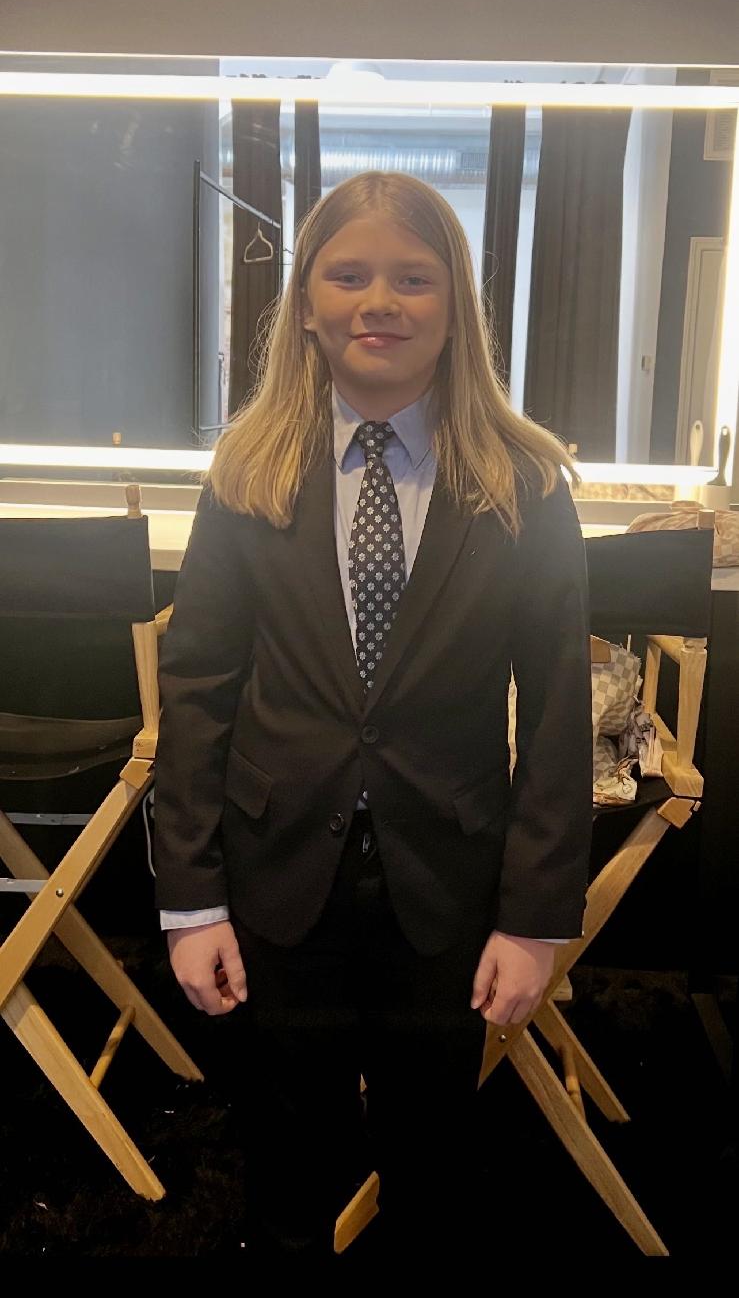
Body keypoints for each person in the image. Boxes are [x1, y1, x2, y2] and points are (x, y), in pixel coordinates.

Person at [154, 171, 593, 1268]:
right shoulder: (248, 472)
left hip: (447, 884)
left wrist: (536, 919)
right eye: (347, 275)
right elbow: (199, 686)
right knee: (283, 1164)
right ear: (305, 302)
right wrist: (189, 899)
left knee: (432, 1169)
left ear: (456, 308)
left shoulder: (525, 485)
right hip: (274, 878)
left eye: (412, 278)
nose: (379, 302)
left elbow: (555, 709)